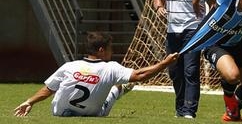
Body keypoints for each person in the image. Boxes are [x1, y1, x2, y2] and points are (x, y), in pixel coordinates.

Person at [14, 32, 179, 117]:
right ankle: (121, 88)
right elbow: (140, 75)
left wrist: (29, 102)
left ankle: (121, 85)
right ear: (101, 50)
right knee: (114, 91)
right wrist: (164, 63)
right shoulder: (111, 68)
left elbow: (48, 89)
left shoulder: (69, 66)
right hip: (93, 114)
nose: (111, 51)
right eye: (110, 48)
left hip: (60, 114)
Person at [153, 0, 212, 119]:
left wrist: (208, 24)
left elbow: (213, 2)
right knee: (174, 71)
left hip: (193, 30)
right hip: (172, 31)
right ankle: (180, 109)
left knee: (190, 70)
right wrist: (159, 7)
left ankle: (189, 111)